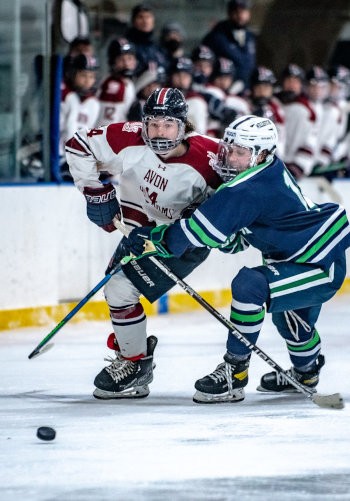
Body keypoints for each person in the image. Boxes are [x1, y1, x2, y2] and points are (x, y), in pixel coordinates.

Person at [124, 115, 350, 404]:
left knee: (250, 285)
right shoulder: (265, 170)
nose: (230, 157)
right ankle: (306, 373)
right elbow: (237, 239)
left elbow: (191, 236)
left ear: (262, 154)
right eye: (229, 149)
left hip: (318, 264)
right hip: (302, 254)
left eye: (240, 153)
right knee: (292, 321)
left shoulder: (249, 187)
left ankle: (235, 371)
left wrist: (152, 237)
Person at [65, 87, 223, 399]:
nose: (159, 133)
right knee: (117, 290)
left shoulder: (210, 157)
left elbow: (238, 198)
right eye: (152, 124)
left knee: (120, 289)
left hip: (180, 241)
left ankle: (134, 363)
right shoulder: (129, 138)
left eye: (167, 125)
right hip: (135, 233)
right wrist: (95, 191)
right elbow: (78, 144)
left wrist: (204, 212)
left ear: (183, 125)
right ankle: (136, 356)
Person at [60, 54, 100, 180]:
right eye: (83, 75)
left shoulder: (93, 103)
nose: (88, 81)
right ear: (72, 74)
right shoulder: (65, 95)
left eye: (91, 76)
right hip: (57, 156)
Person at [201, 0, 256, 91]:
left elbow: (249, 64)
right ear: (230, 13)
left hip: (246, 89)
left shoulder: (249, 36)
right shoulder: (216, 36)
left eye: (244, 11)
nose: (241, 16)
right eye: (237, 12)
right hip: (223, 89)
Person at [97, 37, 137, 126]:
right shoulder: (113, 85)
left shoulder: (127, 83)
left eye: (129, 58)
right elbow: (107, 125)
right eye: (121, 59)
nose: (126, 63)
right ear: (112, 62)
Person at [124, 3, 167, 76]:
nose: (145, 21)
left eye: (148, 17)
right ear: (134, 21)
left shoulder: (159, 45)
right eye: (140, 17)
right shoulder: (127, 45)